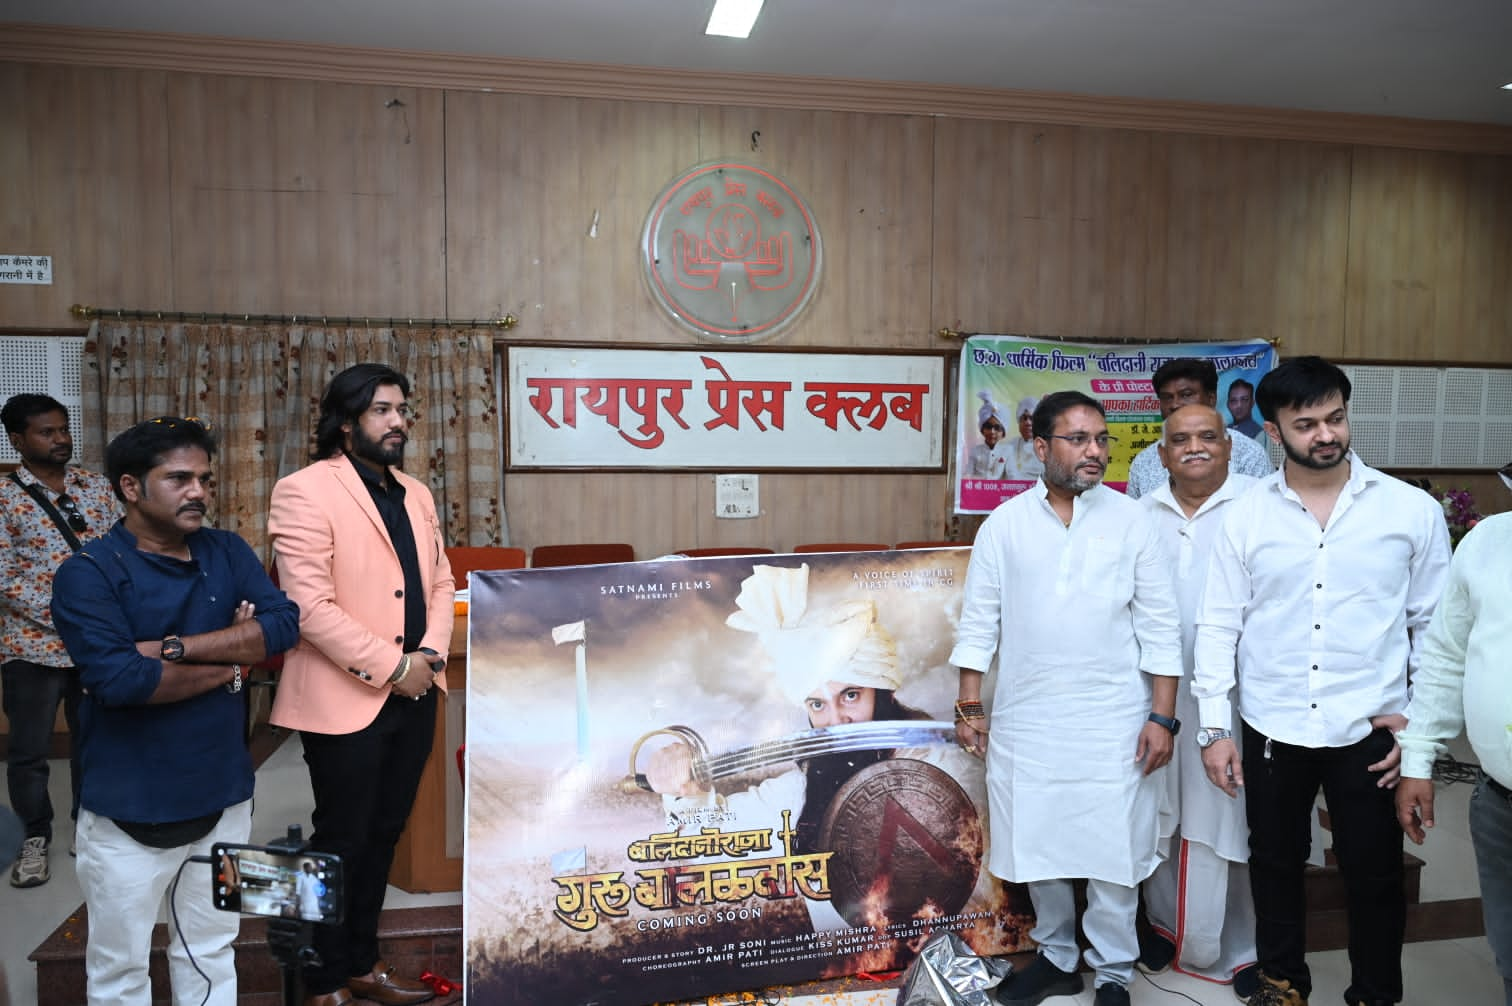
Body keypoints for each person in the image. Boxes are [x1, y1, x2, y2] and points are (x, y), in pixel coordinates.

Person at [1193, 356, 1451, 1006]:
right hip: (1272, 722)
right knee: (1276, 865)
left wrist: (1421, 739)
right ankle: (1283, 986)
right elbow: (1218, 626)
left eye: (1335, 418)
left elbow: (1436, 634)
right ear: (1275, 432)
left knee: (1374, 873)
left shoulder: (1410, 512)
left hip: (1370, 729)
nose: (1326, 435)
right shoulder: (1246, 516)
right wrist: (1215, 728)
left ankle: (1374, 994)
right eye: (1306, 424)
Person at [49, 416, 299, 1006]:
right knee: (119, 969)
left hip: (228, 797)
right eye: (180, 478)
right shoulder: (87, 573)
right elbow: (120, 680)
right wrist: (237, 657)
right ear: (131, 487)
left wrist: (174, 648)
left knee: (213, 949)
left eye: (205, 480)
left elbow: (282, 629)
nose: (199, 493)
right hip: (127, 811)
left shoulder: (227, 549)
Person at [952, 390, 1182, 1006]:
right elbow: (980, 621)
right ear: (1041, 447)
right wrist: (970, 702)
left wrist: (1163, 715)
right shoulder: (1004, 525)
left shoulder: (1133, 521)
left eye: (1101, 439)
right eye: (1078, 440)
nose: (1094, 452)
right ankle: (1056, 957)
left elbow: (1162, 627)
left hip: (1115, 717)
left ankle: (1112, 970)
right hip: (1029, 717)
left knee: (1113, 845)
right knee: (1040, 836)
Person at [646, 562, 993, 932]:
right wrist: (681, 788)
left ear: (885, 692)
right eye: (817, 704)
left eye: (851, 695)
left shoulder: (946, 766)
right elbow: (712, 837)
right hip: (845, 968)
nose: (835, 720)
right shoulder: (801, 789)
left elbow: (985, 892)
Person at [269, 363, 455, 1006]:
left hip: (417, 689)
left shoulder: (417, 492)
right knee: (340, 838)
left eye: (402, 409)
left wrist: (429, 653)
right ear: (345, 423)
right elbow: (309, 607)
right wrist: (393, 665)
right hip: (344, 695)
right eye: (381, 410)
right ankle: (321, 981)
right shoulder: (303, 491)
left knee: (385, 833)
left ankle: (362, 963)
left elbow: (440, 582)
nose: (398, 421)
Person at [1139, 405, 1260, 998]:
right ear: (1160, 455)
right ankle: (1163, 926)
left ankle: (1242, 944)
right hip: (1153, 694)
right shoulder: (1138, 516)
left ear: (1230, 447)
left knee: (1229, 816)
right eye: (1179, 440)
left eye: (1207, 437)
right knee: (1159, 810)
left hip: (1238, 696)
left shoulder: (1262, 509)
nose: (1194, 448)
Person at [0, 393, 119, 887]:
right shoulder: (4, 498)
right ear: (18, 440)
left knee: (95, 741)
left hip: (95, 645)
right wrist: (73, 616)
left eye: (64, 429)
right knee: (29, 750)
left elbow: (121, 550)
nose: (61, 439)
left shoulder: (96, 487)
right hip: (33, 646)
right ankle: (35, 836)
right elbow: (4, 576)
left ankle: (86, 827)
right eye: (47, 432)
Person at [1396, 506, 1512, 1005]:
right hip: (1499, 802)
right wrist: (1418, 758)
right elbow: (1446, 655)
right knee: (1509, 951)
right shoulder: (1489, 540)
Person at [1125, 359, 1272, 499]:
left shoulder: (1250, 454)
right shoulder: (1144, 462)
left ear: (1211, 398)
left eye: (1186, 395)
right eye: (1167, 397)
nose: (1174, 404)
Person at [1002, 396, 1044, 481]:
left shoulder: (1046, 446)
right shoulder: (1010, 445)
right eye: (1024, 418)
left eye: (1031, 418)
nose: (1028, 423)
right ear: (1019, 422)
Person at [966, 410, 1010, 479]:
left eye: (997, 428)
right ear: (982, 430)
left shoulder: (1008, 451)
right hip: (978, 488)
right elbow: (968, 475)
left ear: (1003, 433)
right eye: (988, 427)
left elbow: (1012, 477)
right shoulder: (975, 451)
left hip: (1000, 489)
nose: (992, 432)